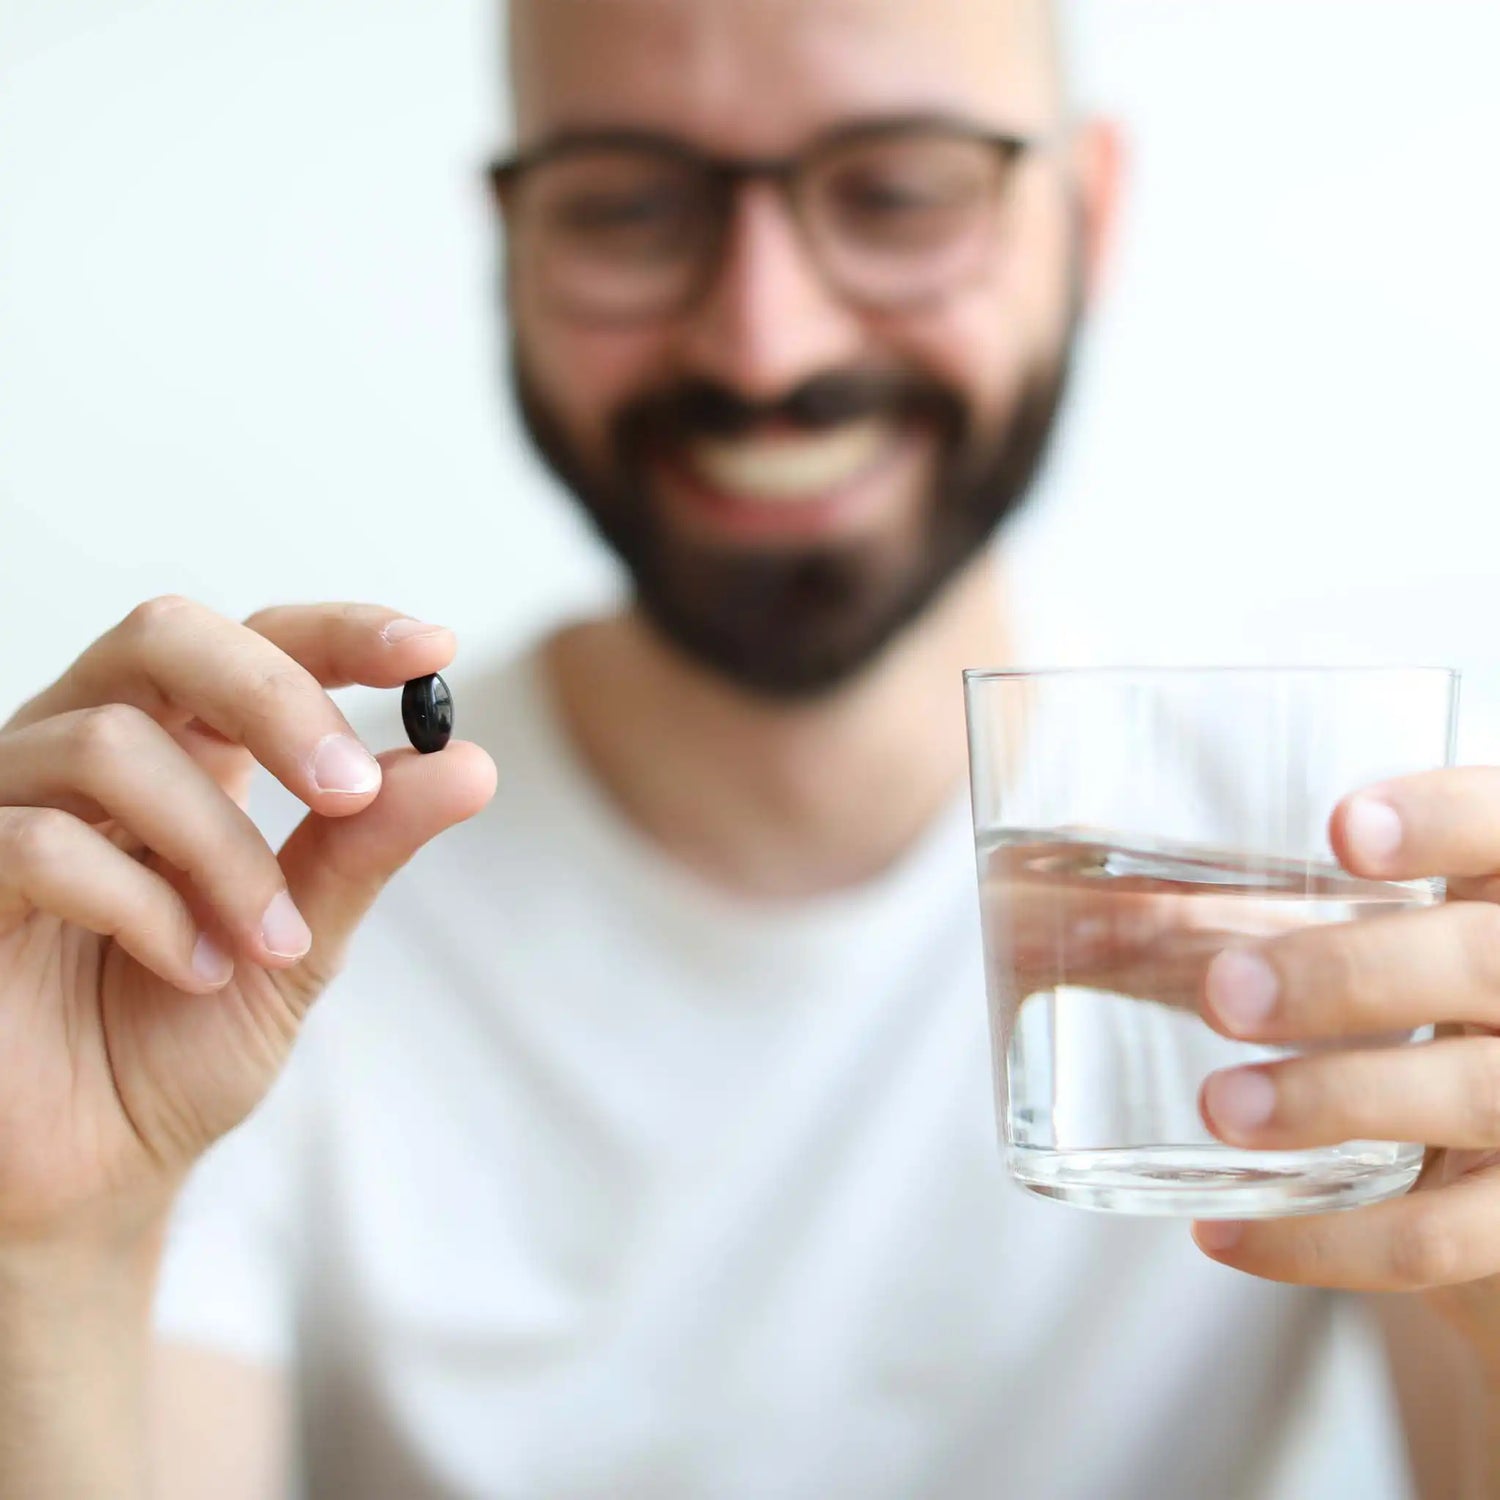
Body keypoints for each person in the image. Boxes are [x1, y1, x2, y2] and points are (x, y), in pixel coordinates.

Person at [1, 1, 1498, 1496]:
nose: (763, 339)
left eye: (901, 191)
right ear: (512, 247)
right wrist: (40, 1255)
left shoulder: (1361, 879)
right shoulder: (243, 917)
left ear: (1088, 214)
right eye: (629, 207)